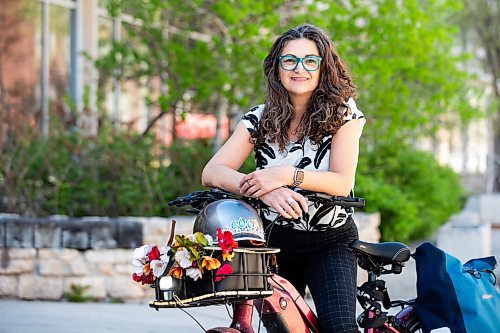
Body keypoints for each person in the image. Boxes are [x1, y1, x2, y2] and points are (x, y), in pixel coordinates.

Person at [202, 23, 365, 333]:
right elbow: (212, 171)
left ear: (323, 68)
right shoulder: (259, 118)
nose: (298, 68)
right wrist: (262, 191)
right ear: (277, 68)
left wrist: (283, 175)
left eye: (309, 60)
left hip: (329, 241)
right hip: (274, 242)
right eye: (289, 60)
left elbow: (341, 182)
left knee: (340, 328)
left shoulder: (343, 115)